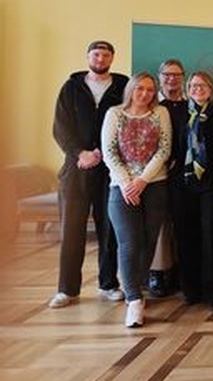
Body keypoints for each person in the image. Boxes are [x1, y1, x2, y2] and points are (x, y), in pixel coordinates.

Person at [49, 40, 128, 309]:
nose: (101, 58)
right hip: (77, 168)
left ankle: (108, 284)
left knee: (109, 229)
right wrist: (80, 153)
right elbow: (60, 126)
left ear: (112, 58)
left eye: (106, 54)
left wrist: (107, 154)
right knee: (71, 230)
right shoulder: (71, 87)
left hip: (111, 169)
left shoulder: (122, 86)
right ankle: (67, 289)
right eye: (96, 53)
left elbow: (128, 122)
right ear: (88, 57)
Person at [102, 72, 173, 327]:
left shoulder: (160, 113)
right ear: (131, 89)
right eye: (140, 89)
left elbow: (164, 149)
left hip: (154, 185)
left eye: (150, 90)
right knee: (129, 243)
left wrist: (143, 180)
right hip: (121, 188)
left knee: (148, 240)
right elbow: (109, 151)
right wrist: (127, 182)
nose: (145, 94)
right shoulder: (114, 114)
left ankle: (137, 288)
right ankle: (133, 299)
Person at [174, 72, 213, 310]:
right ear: (188, 89)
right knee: (187, 237)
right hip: (184, 184)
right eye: (193, 85)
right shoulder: (179, 114)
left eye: (203, 85)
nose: (198, 89)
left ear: (211, 88)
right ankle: (191, 290)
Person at [149, 59, 187, 299]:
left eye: (176, 75)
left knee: (181, 224)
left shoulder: (188, 105)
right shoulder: (150, 106)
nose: (172, 79)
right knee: (159, 226)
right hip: (155, 174)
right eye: (167, 75)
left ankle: (181, 271)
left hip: (183, 175)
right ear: (159, 77)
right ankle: (158, 274)